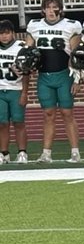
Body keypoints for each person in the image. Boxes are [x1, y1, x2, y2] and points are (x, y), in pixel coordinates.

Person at [25, 0, 82, 163]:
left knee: (67, 113)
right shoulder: (34, 25)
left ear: (60, 9)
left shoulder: (70, 25)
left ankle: (75, 152)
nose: (51, 11)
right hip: (44, 76)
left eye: (54, 7)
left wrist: (77, 79)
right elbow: (27, 51)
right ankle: (46, 153)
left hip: (64, 74)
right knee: (48, 114)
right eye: (48, 7)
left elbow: (77, 55)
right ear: (43, 10)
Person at [0, 20, 30, 163]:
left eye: (7, 33)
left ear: (13, 33)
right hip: (0, 90)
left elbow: (27, 73)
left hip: (16, 89)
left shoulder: (21, 48)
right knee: (2, 123)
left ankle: (22, 152)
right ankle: (4, 153)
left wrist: (24, 93)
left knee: (19, 122)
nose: (4, 36)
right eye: (1, 33)